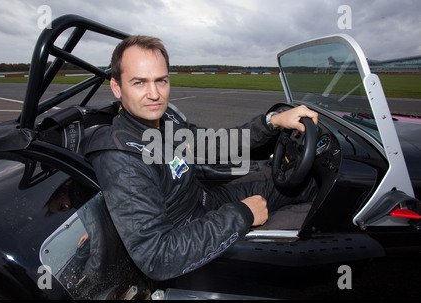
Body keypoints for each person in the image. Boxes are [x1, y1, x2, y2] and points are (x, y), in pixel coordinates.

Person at [83, 35, 318, 281]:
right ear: (117, 87)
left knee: (299, 182)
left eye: (161, 80)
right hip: (188, 235)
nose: (154, 94)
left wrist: (273, 121)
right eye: (139, 83)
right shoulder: (123, 159)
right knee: (308, 233)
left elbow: (213, 143)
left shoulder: (165, 121)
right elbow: (157, 257)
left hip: (205, 202)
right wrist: (242, 215)